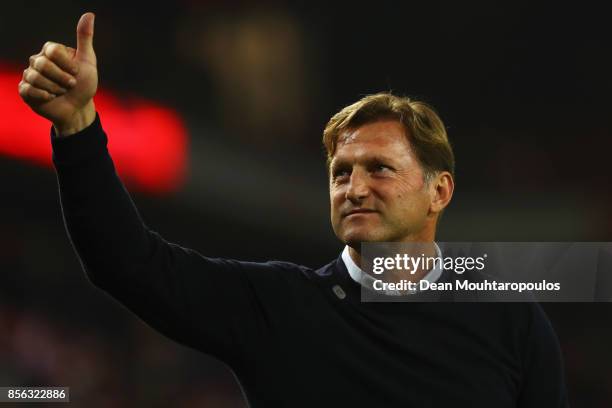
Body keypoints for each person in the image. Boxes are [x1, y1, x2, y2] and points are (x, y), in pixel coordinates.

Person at [19, 12, 569, 407]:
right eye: (340, 173)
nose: (353, 188)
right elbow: (126, 262)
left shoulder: (510, 320)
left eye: (378, 168)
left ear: (440, 191)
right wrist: (76, 127)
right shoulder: (280, 306)